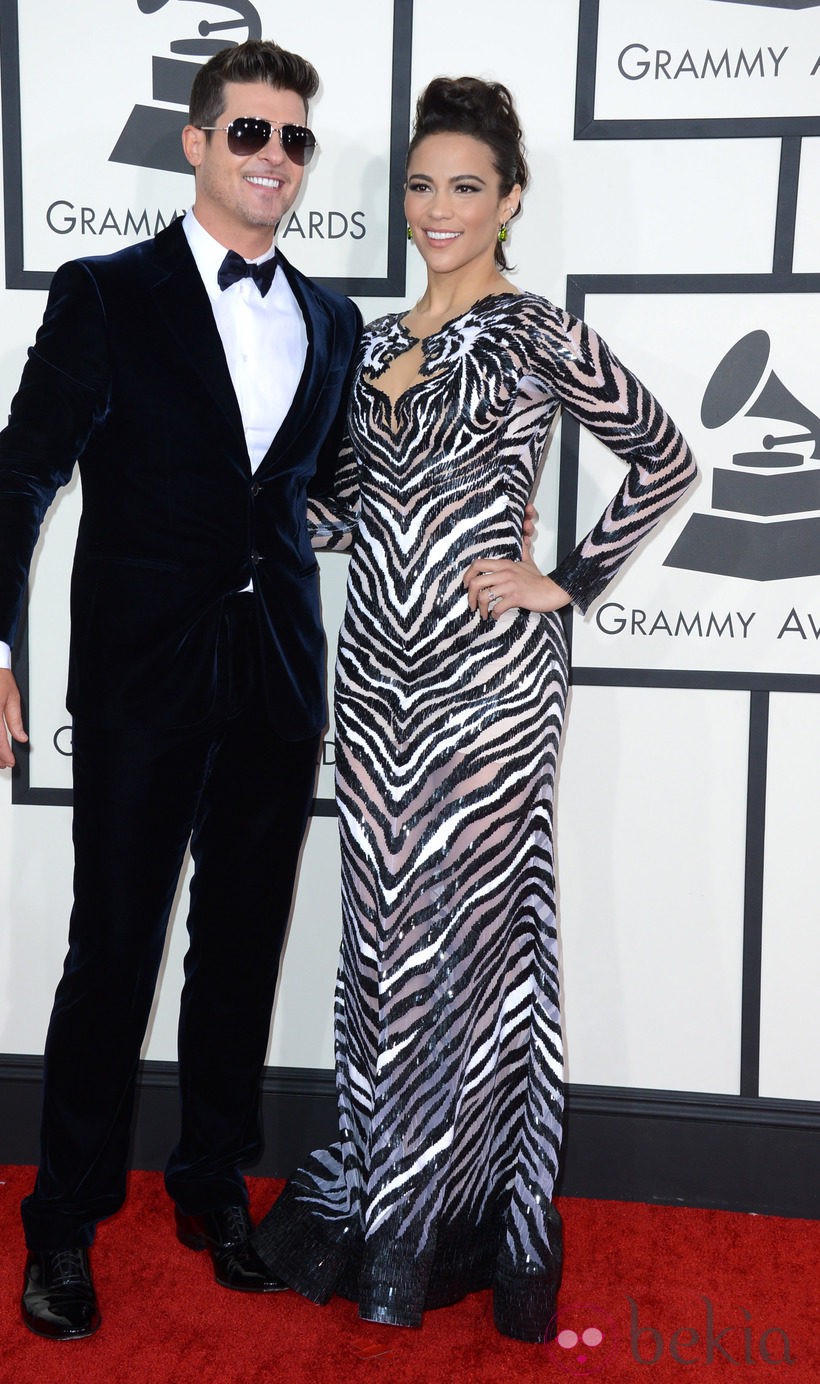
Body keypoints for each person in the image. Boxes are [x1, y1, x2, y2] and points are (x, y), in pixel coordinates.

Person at [253, 76, 697, 1342]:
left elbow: (666, 458)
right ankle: (377, 1193)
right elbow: (347, 511)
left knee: (464, 946)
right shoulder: (369, 333)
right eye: (418, 185)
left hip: (493, 683)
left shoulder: (538, 330)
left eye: (463, 186)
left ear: (508, 201)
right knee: (382, 943)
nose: (436, 208)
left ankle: (435, 1227)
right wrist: (238, 503)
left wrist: (567, 580)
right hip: (377, 674)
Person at [0, 39, 362, 1341]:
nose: (274, 160)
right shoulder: (106, 294)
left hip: (280, 673)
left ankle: (208, 1186)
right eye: (250, 133)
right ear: (195, 143)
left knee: (239, 948)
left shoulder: (335, 320)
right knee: (112, 950)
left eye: (294, 138)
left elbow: (328, 495)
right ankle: (63, 1219)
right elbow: (23, 476)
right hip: (138, 677)